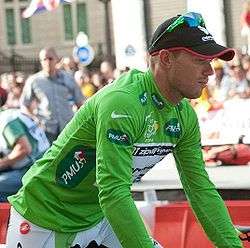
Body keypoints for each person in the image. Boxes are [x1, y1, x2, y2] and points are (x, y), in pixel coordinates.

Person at [6, 12, 242, 248]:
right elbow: (113, 191)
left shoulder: (184, 115)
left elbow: (200, 189)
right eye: (200, 60)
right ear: (166, 58)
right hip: (45, 219)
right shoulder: (123, 103)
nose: (210, 71)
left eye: (210, 61)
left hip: (97, 215)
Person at [20, 47, 84, 144]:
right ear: (41, 62)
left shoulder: (68, 78)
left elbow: (80, 102)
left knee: (69, 157)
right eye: (44, 59)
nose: (47, 62)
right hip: (46, 128)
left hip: (67, 126)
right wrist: (34, 119)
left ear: (57, 59)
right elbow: (24, 104)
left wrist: (80, 123)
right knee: (50, 158)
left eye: (50, 58)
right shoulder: (34, 81)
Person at [0, 86, 50, 202]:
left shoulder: (4, 119)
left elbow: (24, 149)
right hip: (42, 163)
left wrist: (2, 163)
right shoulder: (11, 113)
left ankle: (11, 219)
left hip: (36, 169)